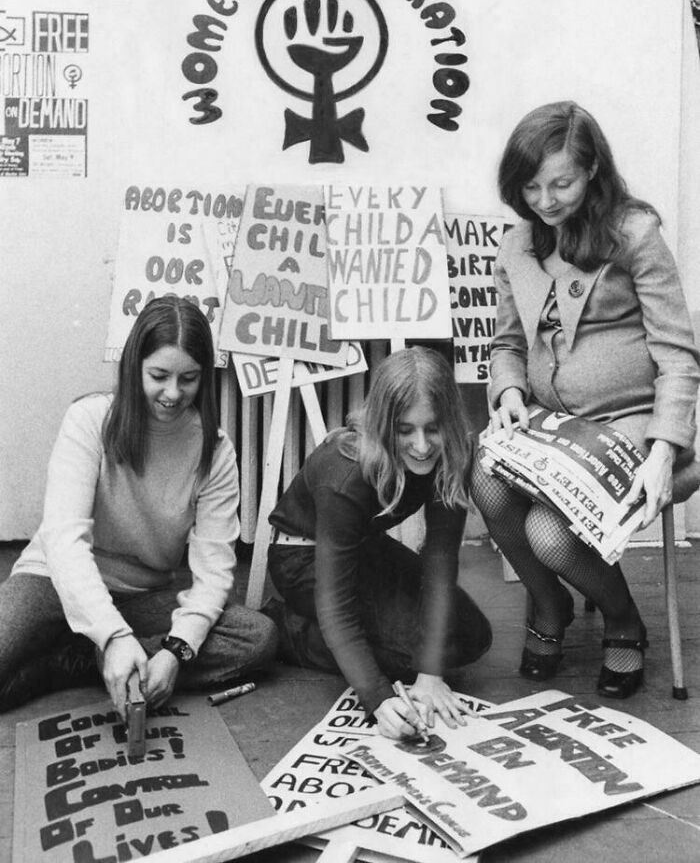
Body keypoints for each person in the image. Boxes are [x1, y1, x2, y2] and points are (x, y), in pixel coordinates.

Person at [471, 100, 700, 699]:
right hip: (551, 423)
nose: (545, 201)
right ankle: (550, 604)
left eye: (561, 184)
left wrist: (663, 450)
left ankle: (624, 621)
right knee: (485, 480)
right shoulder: (516, 245)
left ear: (592, 169)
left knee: (550, 532)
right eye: (530, 187)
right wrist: (510, 390)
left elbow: (678, 356)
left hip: (631, 424)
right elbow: (506, 343)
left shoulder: (635, 234)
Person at [0, 296, 277, 717]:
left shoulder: (215, 450)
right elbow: (64, 541)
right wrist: (113, 635)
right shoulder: (89, 419)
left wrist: (176, 651)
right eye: (159, 376)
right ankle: (104, 651)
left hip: (141, 597)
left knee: (256, 637)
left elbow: (215, 571)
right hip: (54, 582)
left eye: (189, 378)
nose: (173, 393)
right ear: (134, 368)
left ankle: (73, 661)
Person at [264, 346, 492, 740]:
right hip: (300, 556)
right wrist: (379, 698)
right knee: (405, 655)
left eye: (433, 428)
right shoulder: (345, 469)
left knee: (471, 636)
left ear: (450, 422)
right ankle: (290, 631)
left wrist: (431, 673)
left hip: (364, 547)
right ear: (385, 425)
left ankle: (357, 645)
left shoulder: (455, 450)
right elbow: (336, 604)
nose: (422, 446)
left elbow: (440, 560)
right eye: (405, 430)